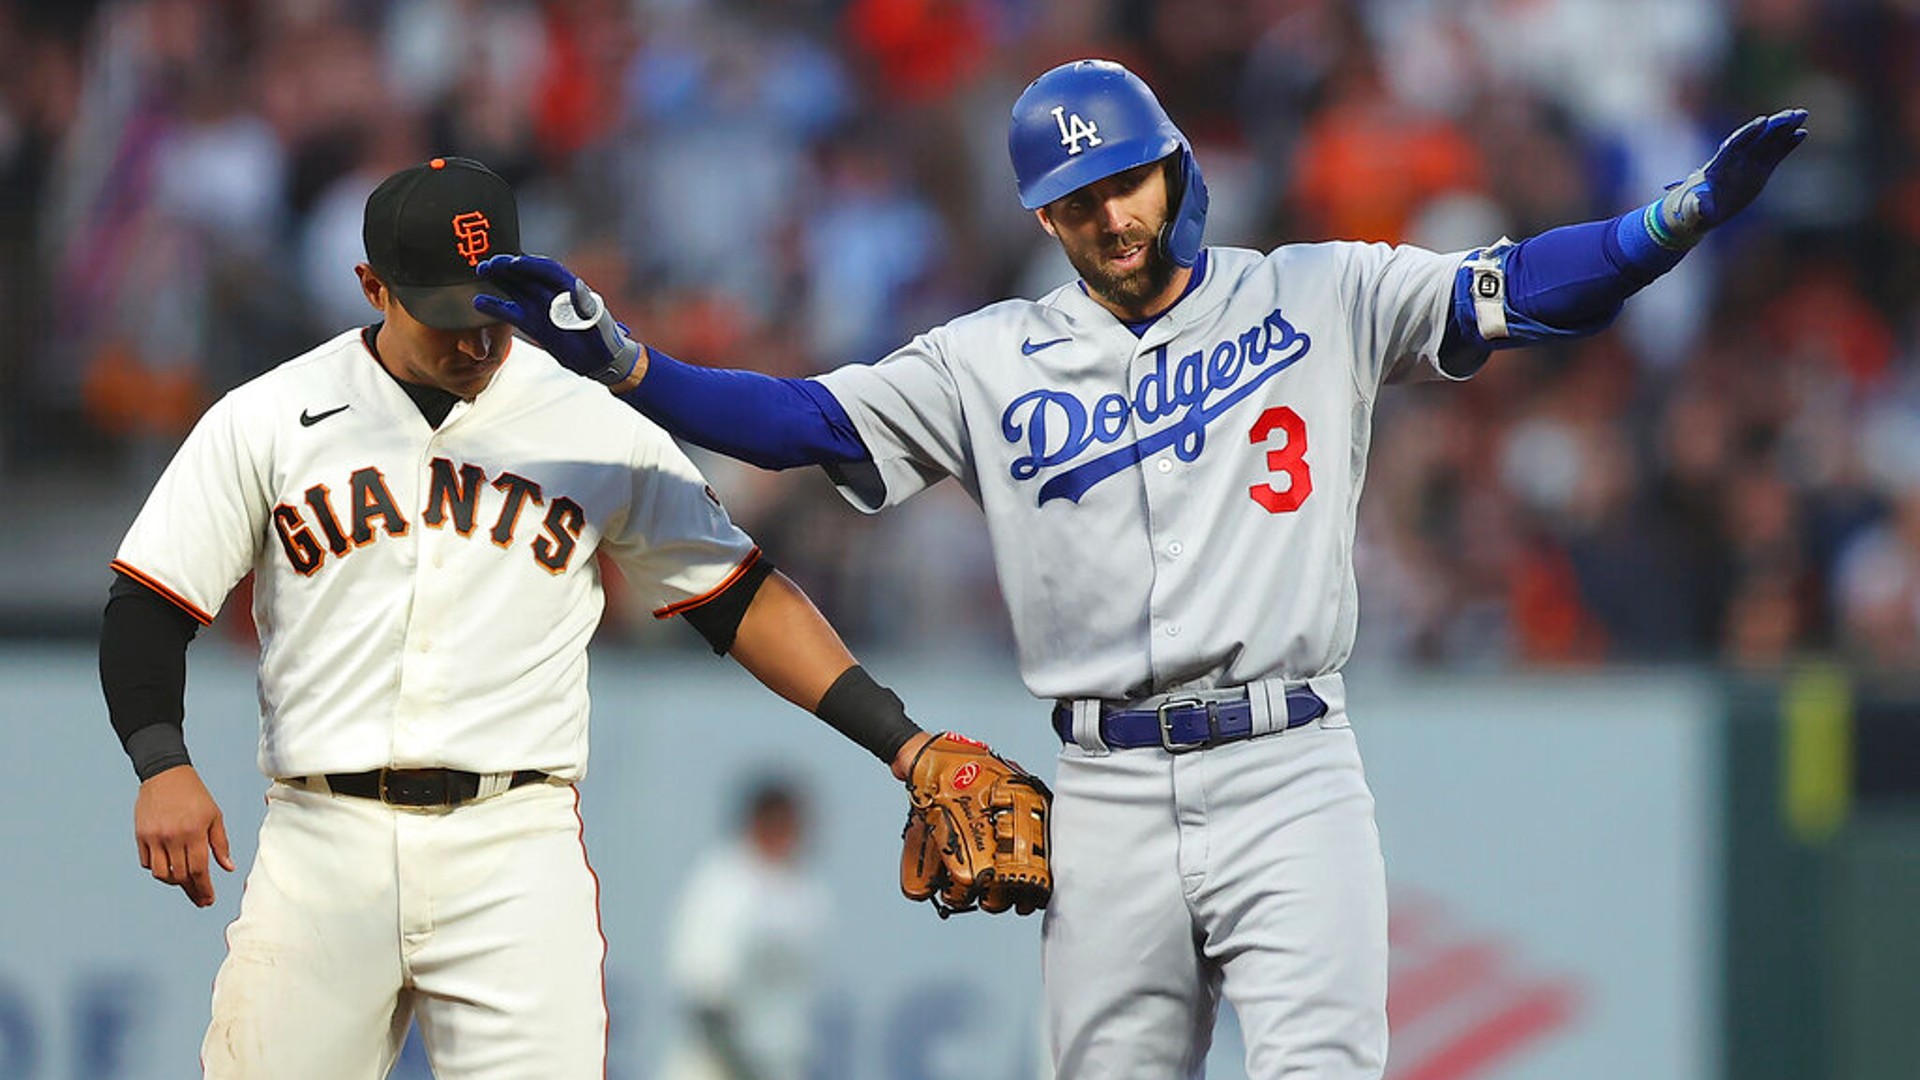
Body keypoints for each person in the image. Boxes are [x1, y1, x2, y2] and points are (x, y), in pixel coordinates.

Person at [473, 60, 1808, 1079]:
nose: (1108, 217)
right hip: (1103, 787)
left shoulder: (1317, 294)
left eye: (1123, 182)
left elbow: (1520, 291)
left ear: (1174, 167)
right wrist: (630, 365)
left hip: (1288, 768)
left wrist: (1669, 223)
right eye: (1073, 202)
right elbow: (806, 424)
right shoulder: (987, 358)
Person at [96, 155, 1005, 1079]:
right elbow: (151, 599)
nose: (474, 342)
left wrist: (901, 740)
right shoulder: (271, 416)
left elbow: (737, 596)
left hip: (512, 844)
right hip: (321, 836)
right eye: (446, 315)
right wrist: (159, 760)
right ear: (373, 286)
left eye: (489, 311)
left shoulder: (589, 418)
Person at [658, 776, 828, 1080]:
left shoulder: (806, 893)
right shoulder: (723, 880)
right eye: (778, 823)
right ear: (756, 822)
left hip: (779, 1065)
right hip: (714, 1068)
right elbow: (705, 999)